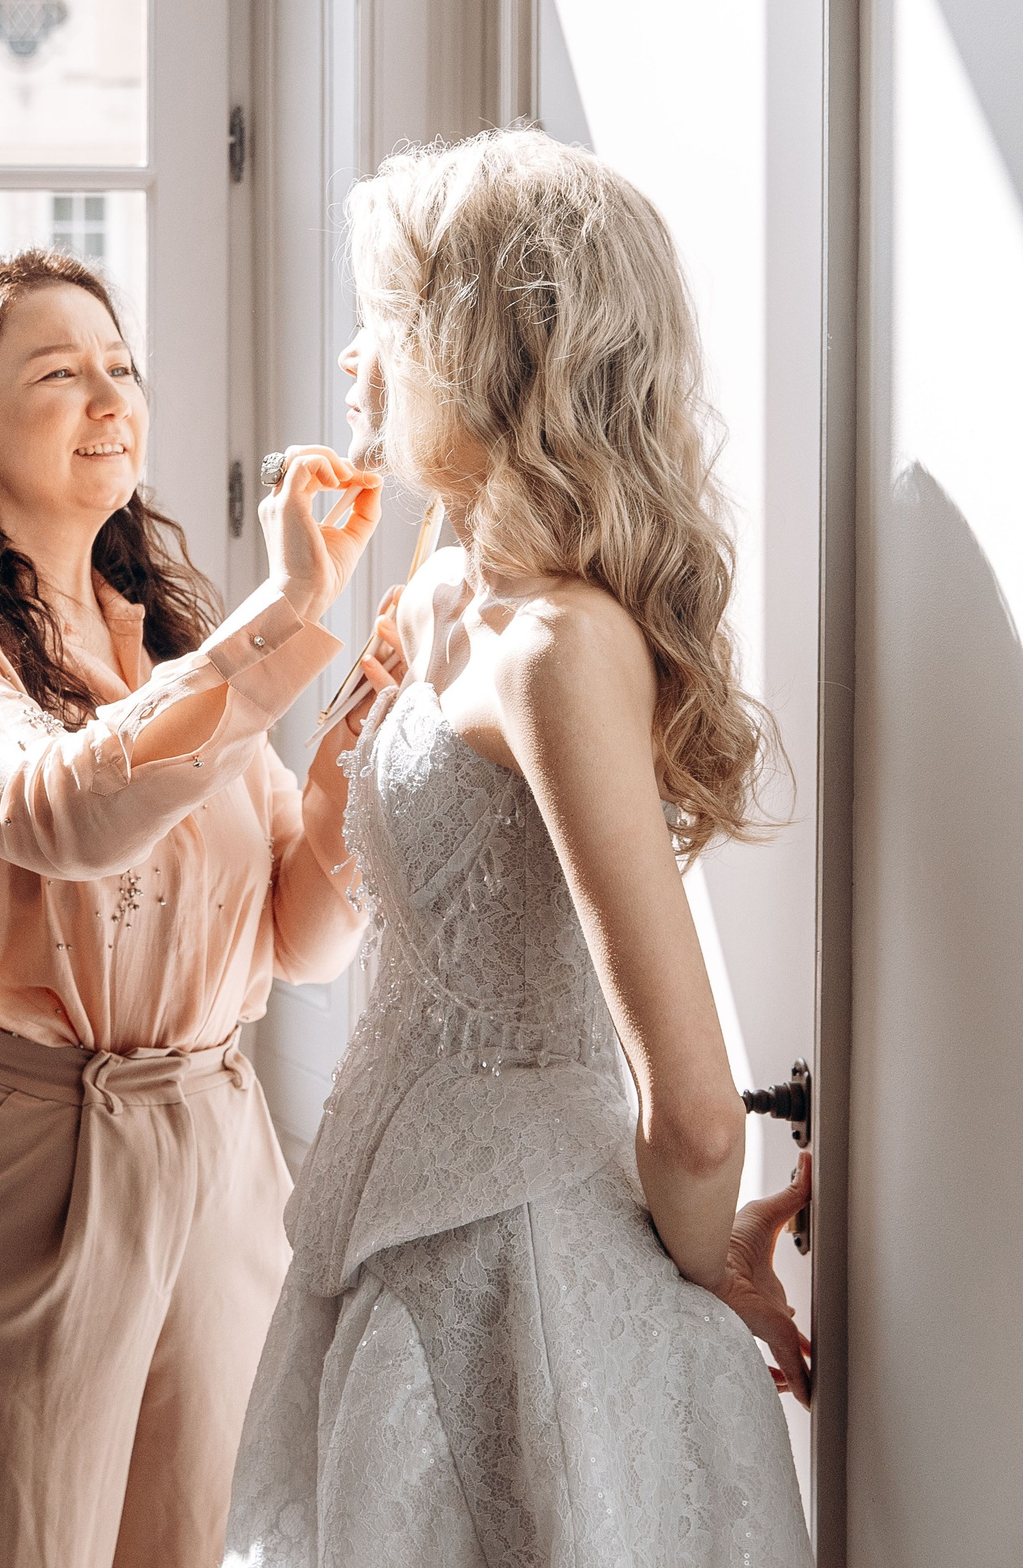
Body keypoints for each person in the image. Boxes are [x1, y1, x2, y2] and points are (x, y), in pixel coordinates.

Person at [222, 128, 815, 1567]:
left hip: (537, 1275)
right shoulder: (430, 599)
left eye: (384, 319)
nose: (356, 359)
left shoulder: (563, 647)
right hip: (390, 1252)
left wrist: (708, 1266)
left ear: (473, 348)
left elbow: (688, 1102)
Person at [0, 248, 394, 1565]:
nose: (109, 397)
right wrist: (291, 609)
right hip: (3, 1184)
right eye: (59, 374)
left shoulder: (176, 647)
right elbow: (59, 814)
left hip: (220, 1177)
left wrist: (360, 723)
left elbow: (303, 936)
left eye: (120, 368)